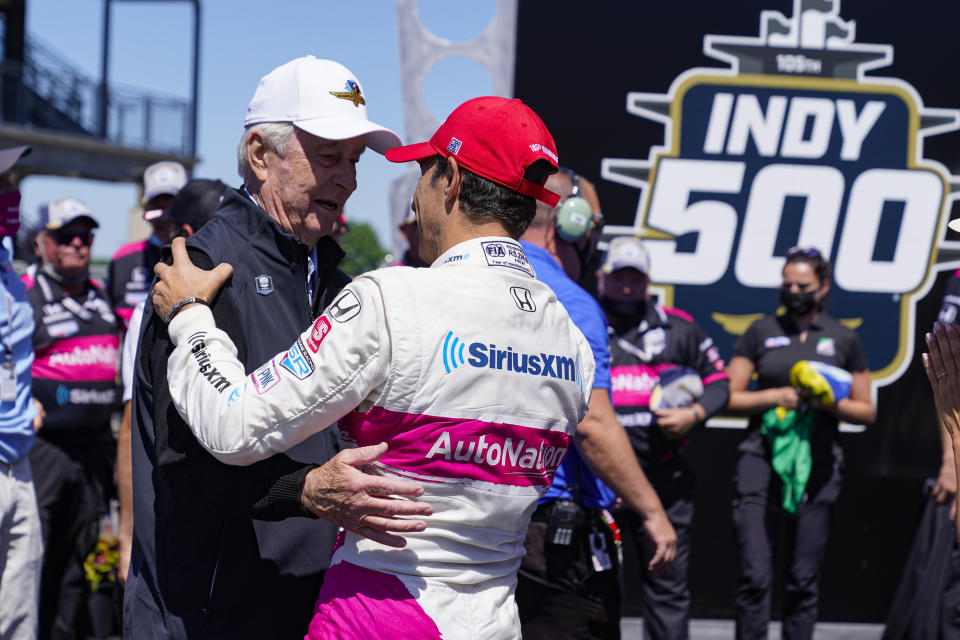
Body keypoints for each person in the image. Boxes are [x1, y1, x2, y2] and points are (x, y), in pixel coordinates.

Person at [152, 95, 594, 639]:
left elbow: (231, 426)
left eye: (423, 174)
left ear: (450, 180)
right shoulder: (573, 344)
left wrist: (190, 318)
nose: (415, 200)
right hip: (495, 619)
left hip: (379, 614)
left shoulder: (392, 300)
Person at [123, 56, 430, 639]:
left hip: (309, 602)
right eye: (329, 157)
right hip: (208, 612)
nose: (350, 180)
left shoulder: (337, 279)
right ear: (262, 155)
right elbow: (184, 462)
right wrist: (310, 490)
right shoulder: (201, 269)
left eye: (355, 160)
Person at [516, 169, 677, 639]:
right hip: (551, 539)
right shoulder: (571, 302)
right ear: (569, 222)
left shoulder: (460, 280)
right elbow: (594, 425)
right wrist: (653, 512)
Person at [726, 247, 875, 640]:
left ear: (823, 288)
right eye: (787, 283)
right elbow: (729, 395)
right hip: (760, 458)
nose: (793, 290)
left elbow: (867, 411)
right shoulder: (761, 331)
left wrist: (830, 402)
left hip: (818, 466)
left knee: (803, 578)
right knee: (755, 574)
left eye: (803, 285)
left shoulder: (844, 338)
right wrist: (774, 397)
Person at [598, 236, 729, 639]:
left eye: (634, 279)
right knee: (598, 594)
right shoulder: (584, 323)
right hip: (604, 484)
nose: (625, 288)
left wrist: (694, 413)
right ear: (602, 279)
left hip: (665, 479)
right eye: (618, 277)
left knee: (668, 591)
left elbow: (720, 382)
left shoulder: (678, 326)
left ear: (648, 282)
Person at [115, 179, 227, 585]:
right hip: (176, 520)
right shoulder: (149, 310)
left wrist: (127, 532)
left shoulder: (246, 297)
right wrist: (128, 532)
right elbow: (132, 427)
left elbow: (128, 429)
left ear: (185, 236)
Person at [23, 197, 119, 639]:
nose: (78, 245)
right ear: (43, 242)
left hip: (95, 449)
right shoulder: (23, 294)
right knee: (34, 557)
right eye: (66, 236)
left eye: (86, 237)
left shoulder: (102, 296)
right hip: (44, 452)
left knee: (81, 558)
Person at [0, 145, 43, 640]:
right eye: (1, 184)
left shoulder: (9, 262)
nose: (12, 195)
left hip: (20, 461)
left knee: (18, 622)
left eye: (12, 181)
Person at [106, 161, 188, 329]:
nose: (165, 218)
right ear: (146, 209)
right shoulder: (123, 260)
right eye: (157, 208)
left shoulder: (203, 255)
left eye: (172, 207)